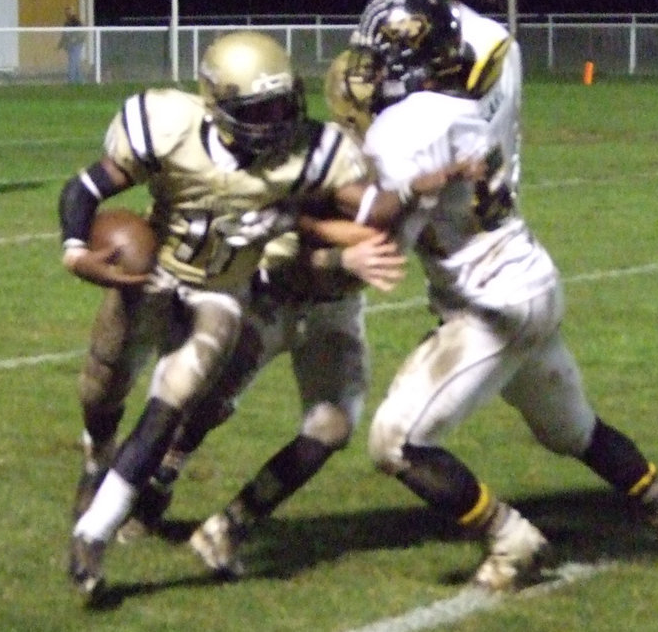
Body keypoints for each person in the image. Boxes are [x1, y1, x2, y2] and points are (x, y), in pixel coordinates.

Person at [343, 0, 658, 593]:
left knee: (396, 442)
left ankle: (511, 537)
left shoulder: (406, 130)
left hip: (488, 305)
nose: (373, 73)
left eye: (383, 60)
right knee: (573, 431)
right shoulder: (501, 63)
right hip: (531, 280)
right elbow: (479, 28)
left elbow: (387, 236)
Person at [63, 31, 457, 602]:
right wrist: (75, 251)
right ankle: (101, 462)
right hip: (182, 276)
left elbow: (366, 212)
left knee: (174, 404)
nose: (276, 122)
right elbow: (87, 187)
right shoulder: (169, 127)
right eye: (259, 110)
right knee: (107, 388)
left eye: (281, 104)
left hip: (233, 291)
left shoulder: (319, 152)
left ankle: (98, 534)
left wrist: (421, 190)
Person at [58, 7, 86, 84]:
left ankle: (71, 81)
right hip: (70, 45)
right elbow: (64, 35)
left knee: (72, 62)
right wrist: (60, 45)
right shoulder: (66, 23)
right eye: (66, 13)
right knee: (75, 62)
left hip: (77, 44)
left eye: (69, 12)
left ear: (72, 12)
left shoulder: (77, 21)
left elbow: (82, 33)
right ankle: (80, 80)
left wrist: (75, 39)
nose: (68, 14)